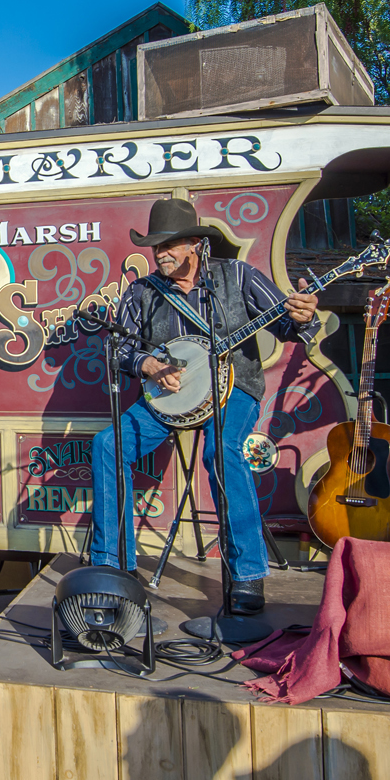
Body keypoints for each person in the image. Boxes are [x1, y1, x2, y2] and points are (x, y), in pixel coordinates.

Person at [88, 197, 320, 614]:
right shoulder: (142, 292)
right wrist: (149, 364)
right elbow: (118, 347)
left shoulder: (237, 277)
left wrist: (303, 316)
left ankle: (247, 575)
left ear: (195, 242)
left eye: (169, 244)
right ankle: (113, 567)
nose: (159, 253)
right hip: (168, 399)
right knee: (108, 445)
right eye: (154, 246)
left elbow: (287, 326)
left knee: (224, 450)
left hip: (234, 393)